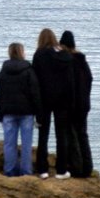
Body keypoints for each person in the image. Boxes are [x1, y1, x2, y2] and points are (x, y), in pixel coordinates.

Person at [32, 28, 74, 179]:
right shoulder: (65, 55)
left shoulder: (39, 55)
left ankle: (42, 170)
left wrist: (34, 102)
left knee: (43, 135)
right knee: (61, 135)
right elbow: (70, 81)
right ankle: (61, 170)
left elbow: (34, 80)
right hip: (62, 100)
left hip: (44, 99)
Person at [0, 42, 42, 177]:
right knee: (26, 145)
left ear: (9, 53)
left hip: (8, 112)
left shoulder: (3, 72)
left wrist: (0, 114)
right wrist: (39, 114)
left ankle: (10, 172)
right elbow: (35, 93)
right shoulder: (28, 70)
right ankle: (26, 172)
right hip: (27, 112)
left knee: (9, 144)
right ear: (22, 52)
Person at [60, 30, 94, 178]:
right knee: (83, 135)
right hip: (84, 104)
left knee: (71, 136)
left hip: (71, 105)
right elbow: (90, 79)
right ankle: (87, 167)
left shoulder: (67, 61)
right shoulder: (82, 60)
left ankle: (77, 168)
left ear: (62, 44)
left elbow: (66, 84)